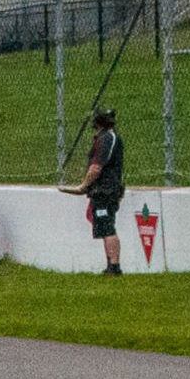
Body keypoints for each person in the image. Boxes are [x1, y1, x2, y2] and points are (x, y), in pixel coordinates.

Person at [73, 109, 125, 276]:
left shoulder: (106, 139)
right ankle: (110, 265)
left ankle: (115, 266)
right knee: (104, 227)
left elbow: (96, 167)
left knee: (107, 227)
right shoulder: (107, 137)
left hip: (105, 189)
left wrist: (84, 185)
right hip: (104, 189)